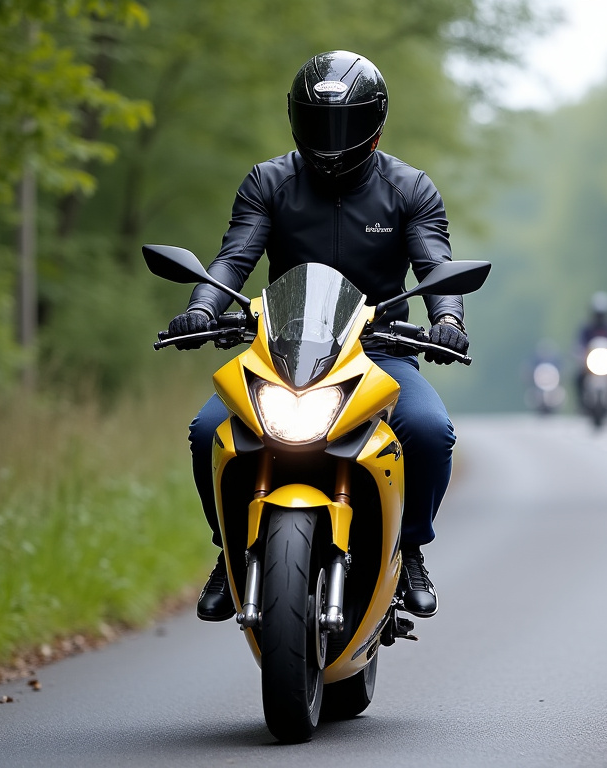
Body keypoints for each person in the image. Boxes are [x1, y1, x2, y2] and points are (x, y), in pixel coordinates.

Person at [170, 51, 467, 622]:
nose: (332, 140)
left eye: (346, 124)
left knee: (430, 431)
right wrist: (202, 306)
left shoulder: (410, 189)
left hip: (378, 352)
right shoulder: (269, 181)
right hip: (280, 352)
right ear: (295, 119)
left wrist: (449, 321)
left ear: (374, 124)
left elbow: (435, 265)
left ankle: (409, 549)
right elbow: (234, 258)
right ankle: (228, 551)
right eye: (319, 123)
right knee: (208, 429)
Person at [573, 291, 607, 399]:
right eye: (598, 314)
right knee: (577, 377)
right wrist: (579, 354)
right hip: (590, 362)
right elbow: (579, 344)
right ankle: (580, 401)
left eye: (602, 315)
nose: (600, 317)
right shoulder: (586, 328)